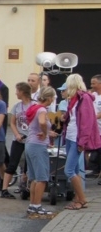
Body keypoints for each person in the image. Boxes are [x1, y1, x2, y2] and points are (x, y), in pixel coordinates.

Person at [59, 74, 100, 210]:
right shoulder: (74, 98)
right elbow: (73, 118)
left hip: (77, 138)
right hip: (71, 137)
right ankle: (78, 198)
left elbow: (87, 122)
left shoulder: (84, 98)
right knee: (75, 170)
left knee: (69, 170)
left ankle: (82, 199)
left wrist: (82, 141)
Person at [24, 86, 58, 218]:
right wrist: (45, 133)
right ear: (48, 98)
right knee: (42, 178)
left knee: (34, 178)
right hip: (38, 145)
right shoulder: (43, 110)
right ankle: (37, 206)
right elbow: (42, 122)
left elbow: (35, 125)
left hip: (30, 144)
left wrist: (47, 132)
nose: (53, 100)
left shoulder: (34, 107)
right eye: (53, 98)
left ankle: (32, 205)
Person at [1, 81, 33, 198]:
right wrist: (17, 134)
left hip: (30, 140)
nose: (16, 93)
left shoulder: (34, 105)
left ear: (23, 92)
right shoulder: (17, 106)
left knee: (28, 165)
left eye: (17, 91)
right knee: (12, 164)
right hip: (18, 140)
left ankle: (26, 186)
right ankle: (4, 189)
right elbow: (12, 123)